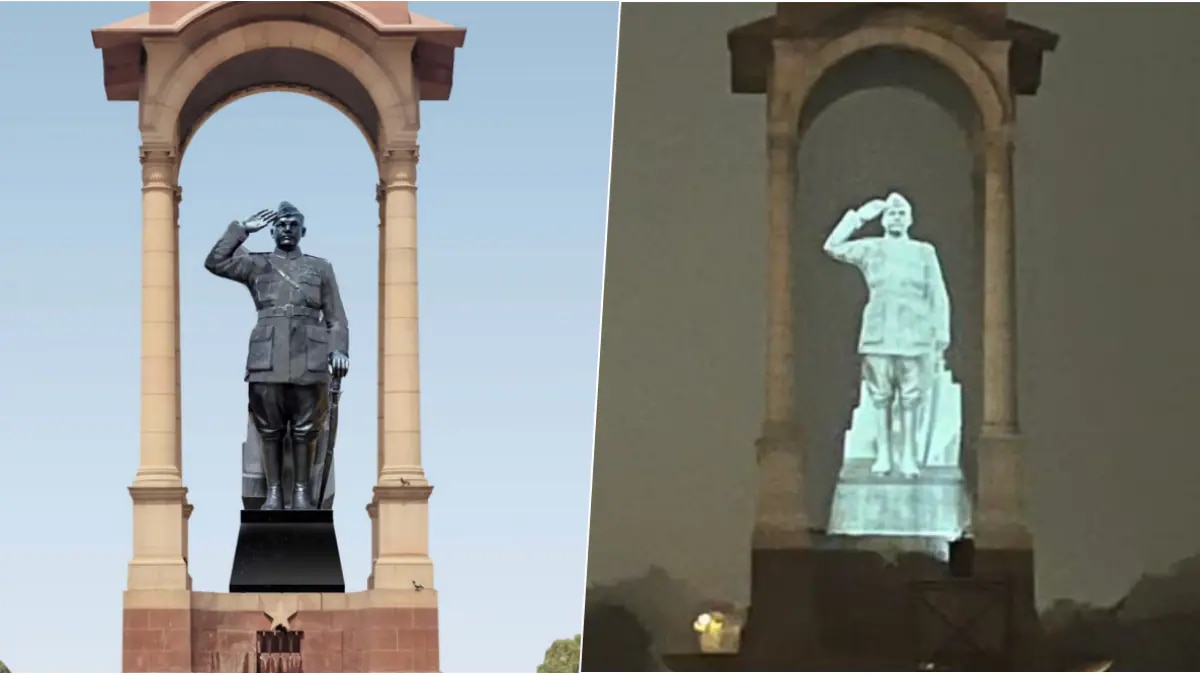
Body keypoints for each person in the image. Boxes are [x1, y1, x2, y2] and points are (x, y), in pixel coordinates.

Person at [204, 202, 350, 509]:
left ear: (303, 231)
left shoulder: (320, 268)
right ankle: (272, 493)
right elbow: (215, 262)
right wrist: (242, 230)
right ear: (271, 230)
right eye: (281, 224)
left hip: (309, 356)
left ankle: (301, 492)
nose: (287, 229)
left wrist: (338, 349)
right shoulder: (256, 264)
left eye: (293, 224)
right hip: (266, 356)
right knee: (268, 427)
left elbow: (335, 316)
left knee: (306, 428)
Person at [823, 192, 950, 478]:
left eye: (902, 212)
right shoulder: (872, 248)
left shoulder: (924, 251)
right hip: (880, 328)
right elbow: (832, 246)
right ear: (883, 219)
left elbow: (937, 292)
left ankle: (908, 456)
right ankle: (883, 454)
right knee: (880, 397)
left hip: (915, 331)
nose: (896, 216)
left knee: (911, 396)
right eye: (891, 213)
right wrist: (860, 216)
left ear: (910, 219)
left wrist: (941, 328)